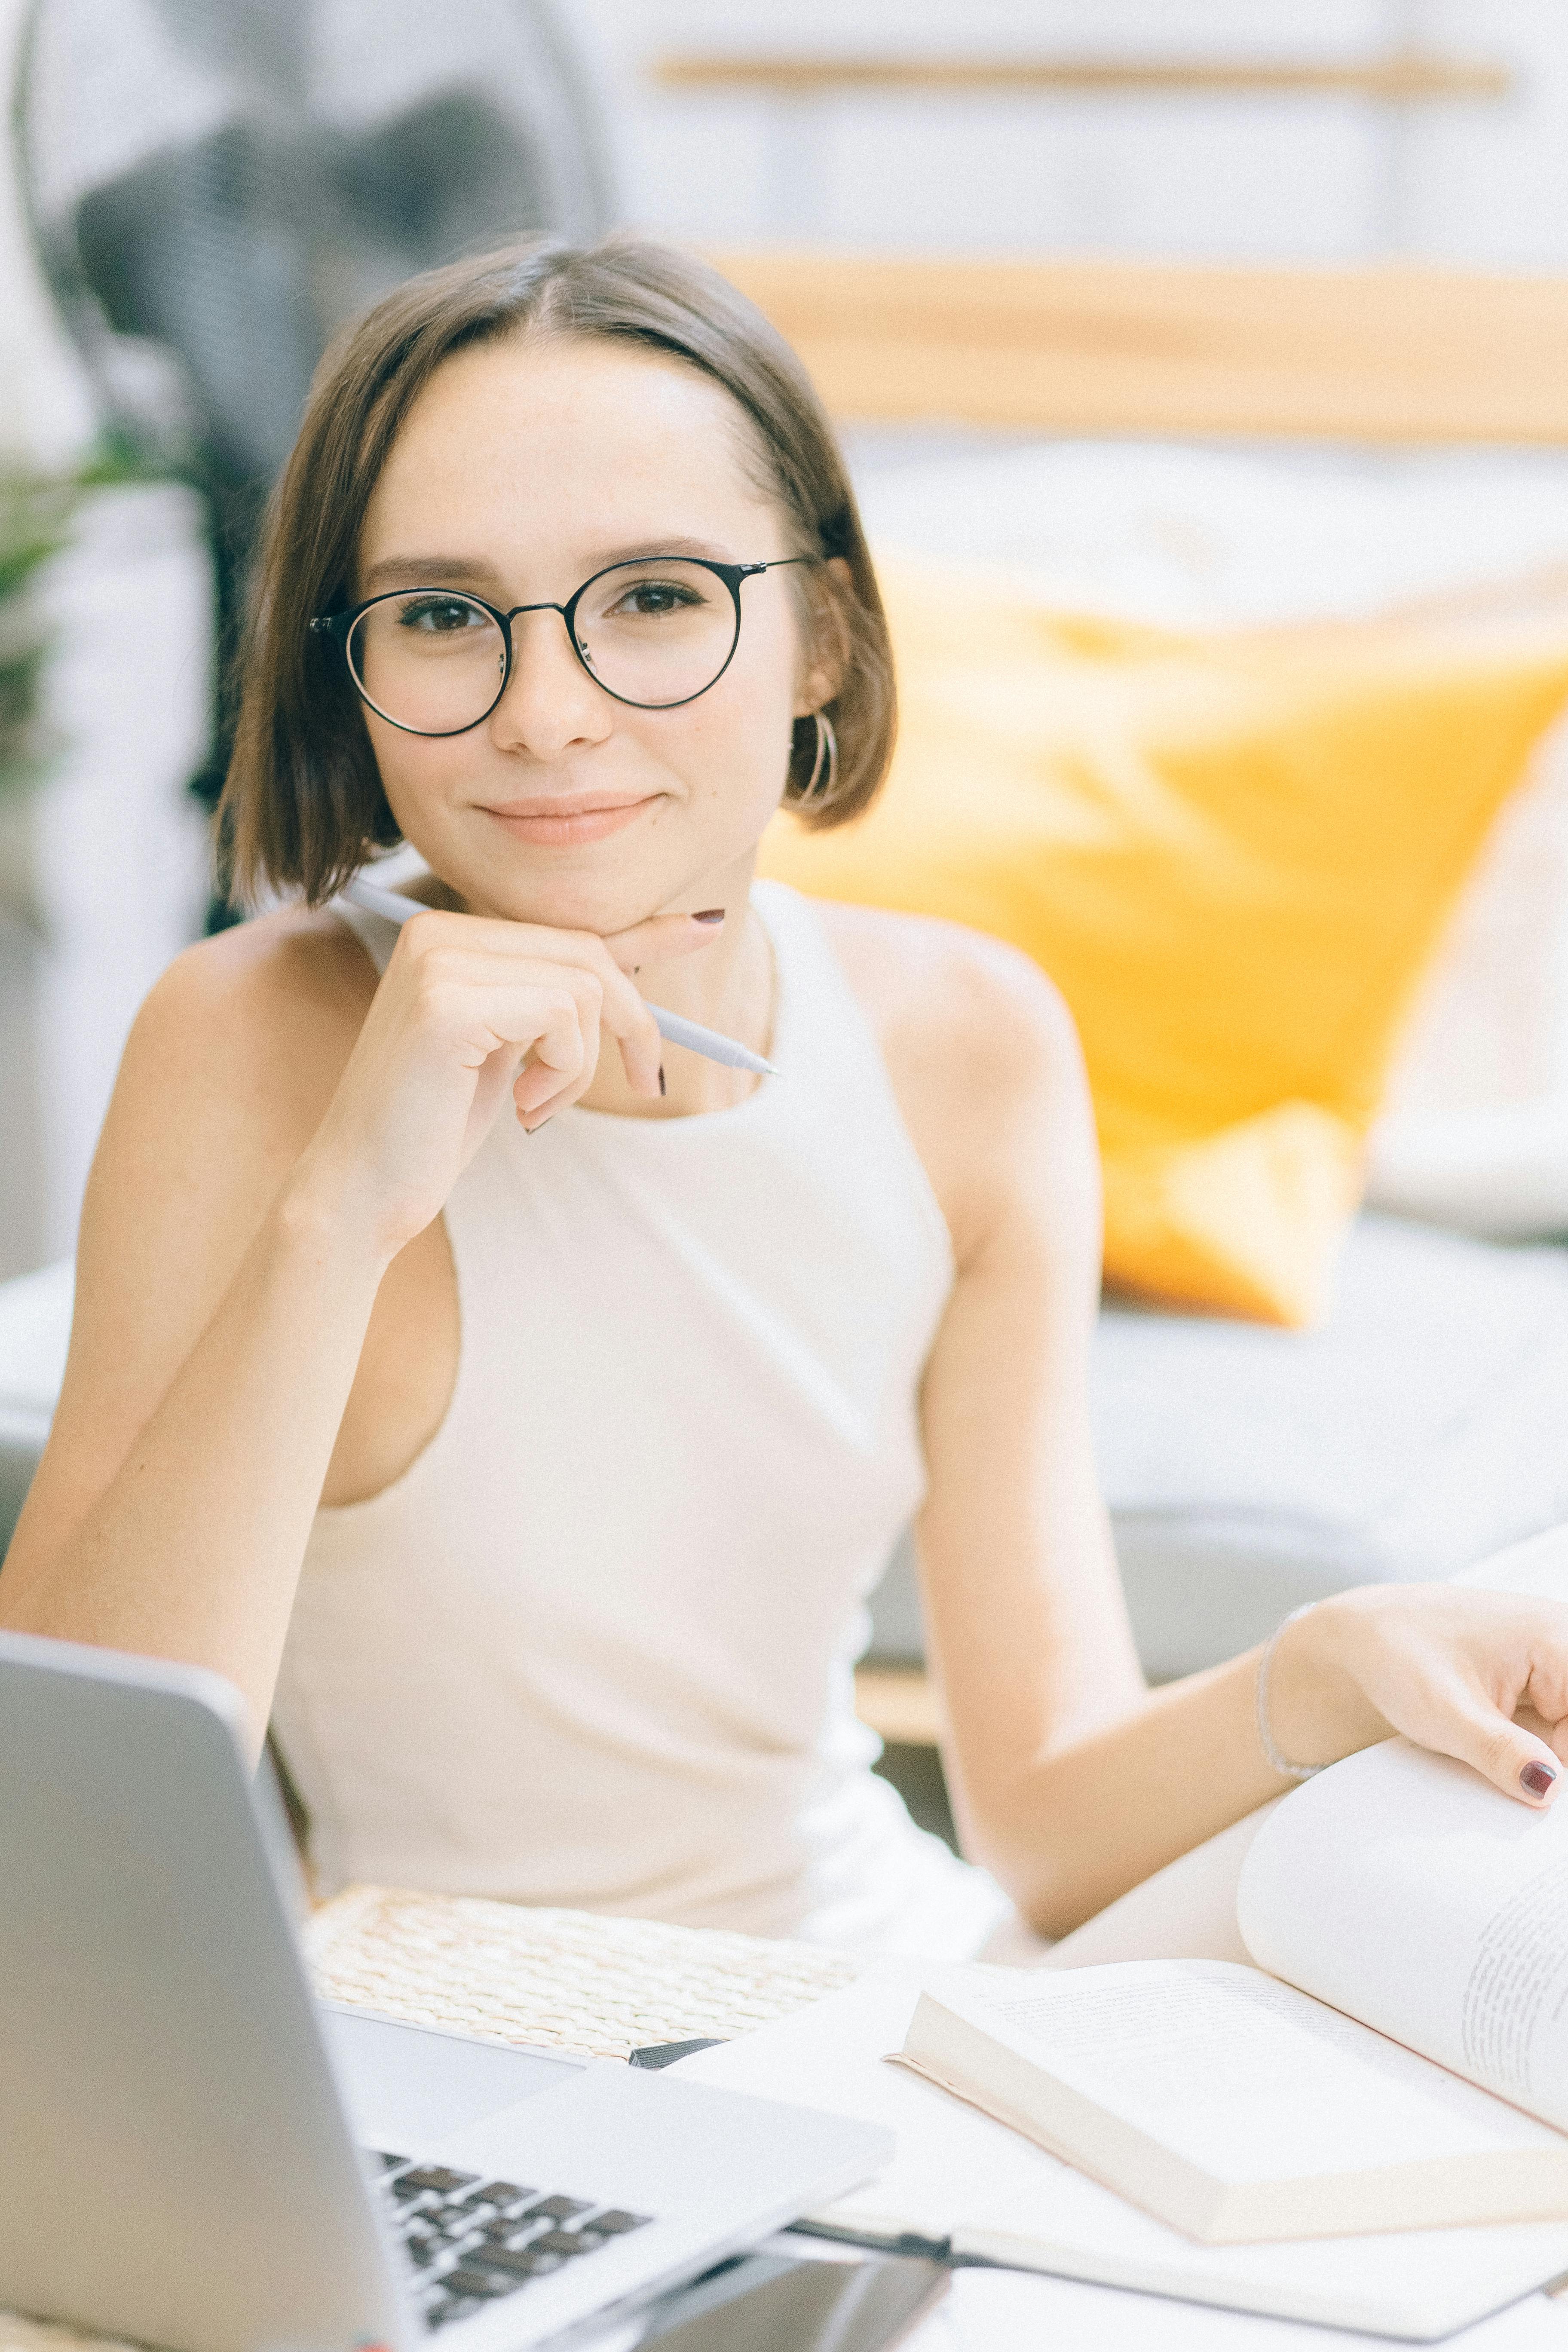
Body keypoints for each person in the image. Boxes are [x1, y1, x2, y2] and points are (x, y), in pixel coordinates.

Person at [6, 236, 1568, 1959]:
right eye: (445, 615)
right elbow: (75, 1823)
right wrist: (341, 1209)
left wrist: (1323, 1663)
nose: (546, 714)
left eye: (659, 598)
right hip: (442, 2059)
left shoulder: (971, 1044)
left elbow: (1045, 1826)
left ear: (818, 638)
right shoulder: (243, 1039)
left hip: (882, 2006)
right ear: (347, 660)